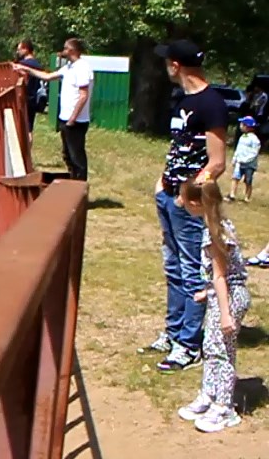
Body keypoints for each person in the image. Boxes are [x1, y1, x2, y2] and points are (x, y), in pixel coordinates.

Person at [141, 39, 229, 373]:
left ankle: (189, 345)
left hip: (188, 203)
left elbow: (217, 163)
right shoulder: (181, 100)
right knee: (173, 267)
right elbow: (180, 148)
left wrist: (187, 194)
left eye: (167, 62)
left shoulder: (212, 104)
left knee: (193, 271)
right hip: (167, 194)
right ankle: (173, 331)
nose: (165, 67)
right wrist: (163, 184)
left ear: (176, 66)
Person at [175, 179, 250, 432]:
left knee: (222, 351)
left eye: (184, 199)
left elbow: (222, 276)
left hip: (229, 298)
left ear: (196, 204)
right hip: (220, 295)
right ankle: (208, 394)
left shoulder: (214, 233)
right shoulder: (216, 225)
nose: (180, 202)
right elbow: (221, 274)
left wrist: (226, 314)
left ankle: (225, 407)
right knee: (210, 346)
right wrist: (207, 292)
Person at [12, 37, 94, 180]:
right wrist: (25, 68)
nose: (63, 51)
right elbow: (47, 76)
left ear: (72, 50)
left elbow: (83, 96)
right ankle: (73, 186)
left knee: (77, 157)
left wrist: (72, 119)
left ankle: (80, 189)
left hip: (76, 121)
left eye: (65, 48)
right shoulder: (69, 67)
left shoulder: (82, 68)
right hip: (66, 119)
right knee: (67, 155)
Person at [227, 116, 260, 203]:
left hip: (249, 164)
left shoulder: (254, 139)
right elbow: (238, 149)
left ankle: (247, 197)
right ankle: (232, 195)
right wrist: (235, 158)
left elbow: (254, 152)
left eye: (242, 124)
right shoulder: (242, 137)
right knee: (235, 178)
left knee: (248, 181)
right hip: (239, 162)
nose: (240, 126)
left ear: (247, 126)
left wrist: (246, 160)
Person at [15, 40, 43, 138]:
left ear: (26, 49)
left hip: (22, 99)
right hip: (33, 99)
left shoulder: (22, 65)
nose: (17, 52)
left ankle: (22, 151)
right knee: (29, 129)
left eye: (19, 49)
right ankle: (28, 152)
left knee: (19, 129)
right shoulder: (37, 65)